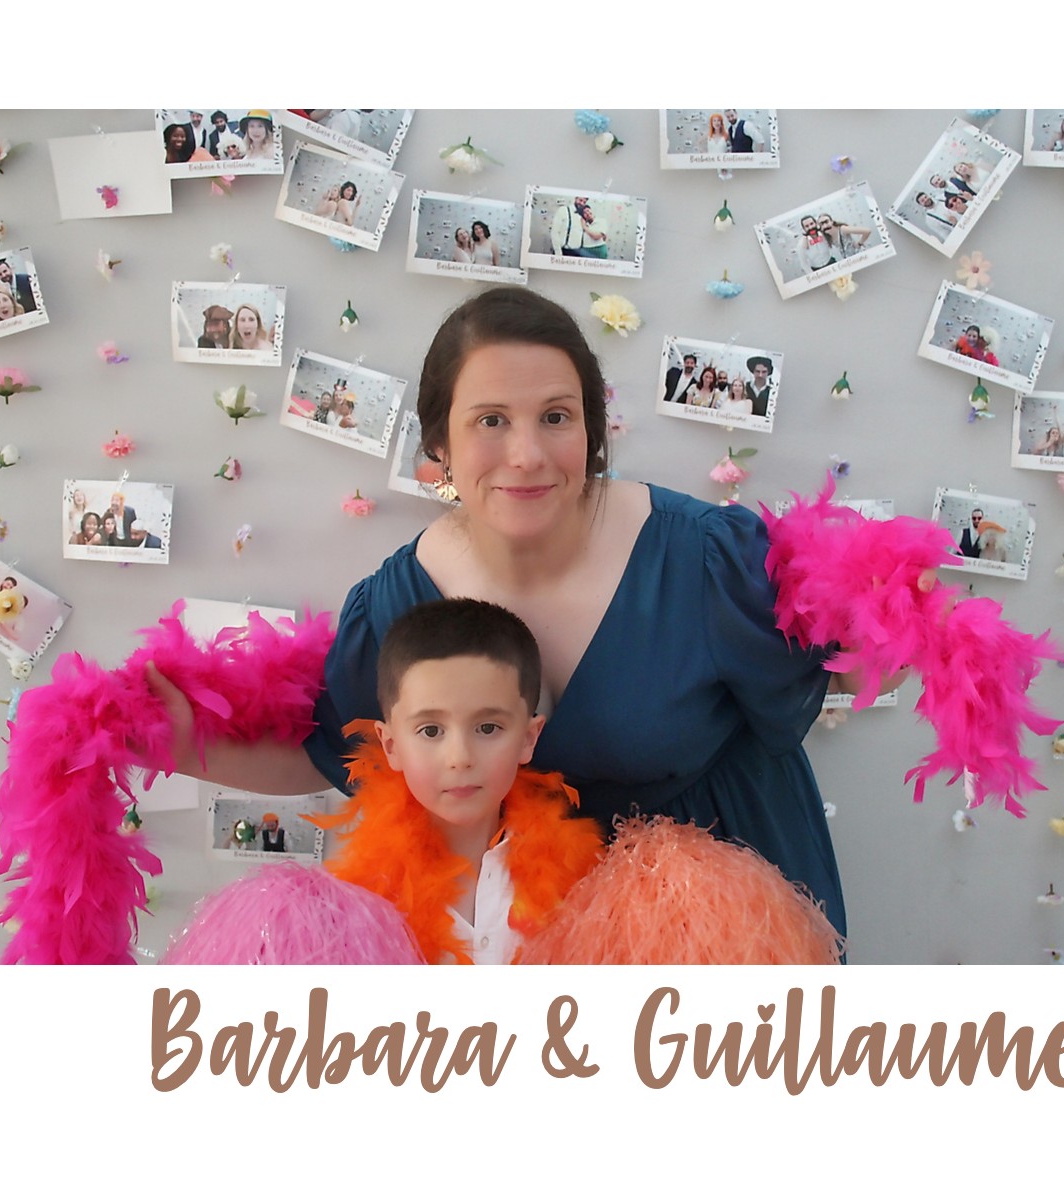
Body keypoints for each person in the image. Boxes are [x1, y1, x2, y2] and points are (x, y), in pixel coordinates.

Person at [146, 286, 902, 941]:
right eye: (490, 421)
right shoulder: (399, 600)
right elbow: (341, 754)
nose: (528, 454)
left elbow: (839, 673)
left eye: (556, 417)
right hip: (528, 935)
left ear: (591, 430)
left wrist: (897, 624)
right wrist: (183, 746)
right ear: (438, 444)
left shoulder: (706, 558)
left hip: (720, 925)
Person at [307, 599, 602, 964]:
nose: (460, 757)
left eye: (487, 728)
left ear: (529, 739)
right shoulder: (351, 906)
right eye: (431, 730)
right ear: (391, 746)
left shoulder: (583, 886)